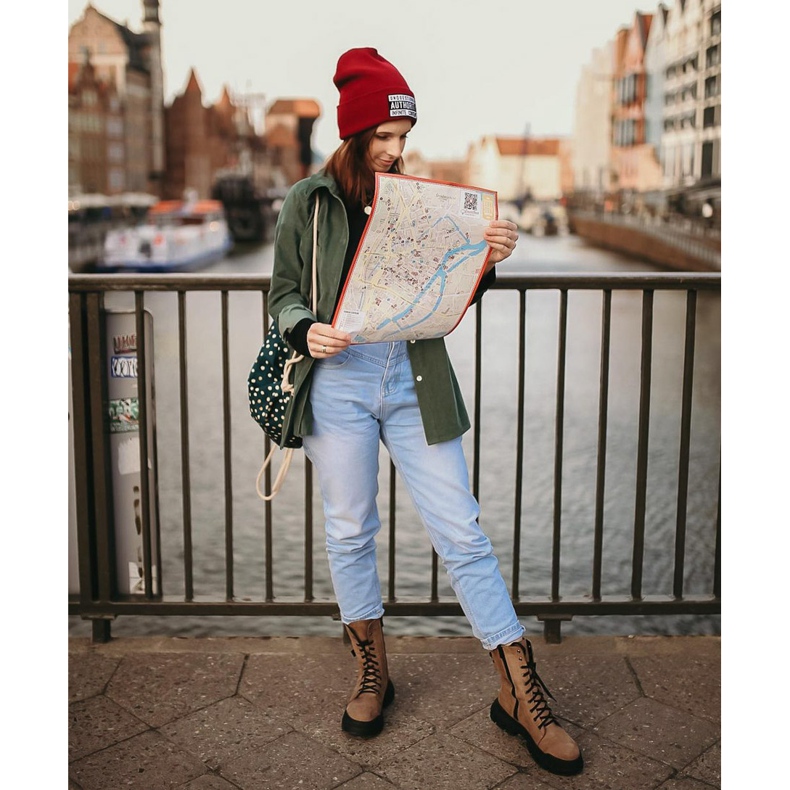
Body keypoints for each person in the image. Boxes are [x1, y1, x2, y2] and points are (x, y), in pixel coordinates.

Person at [268, 47, 583, 777]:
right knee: (349, 530)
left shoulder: (422, 201)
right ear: (351, 134)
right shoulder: (306, 203)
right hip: (338, 380)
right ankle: (372, 671)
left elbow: (446, 294)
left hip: (411, 374)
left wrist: (488, 259)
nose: (395, 150)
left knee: (461, 530)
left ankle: (518, 686)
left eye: (402, 138)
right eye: (383, 136)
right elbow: (282, 293)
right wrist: (302, 326)